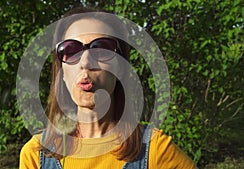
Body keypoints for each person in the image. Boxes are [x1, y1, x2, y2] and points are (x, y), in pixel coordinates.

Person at [19, 7, 196, 169]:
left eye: (102, 49)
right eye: (71, 50)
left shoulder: (155, 150)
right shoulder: (35, 155)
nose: (86, 62)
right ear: (62, 73)